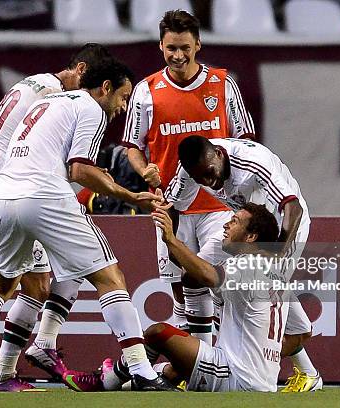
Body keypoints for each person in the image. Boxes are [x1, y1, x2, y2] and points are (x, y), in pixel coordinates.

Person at [0, 58, 178, 392]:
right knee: (109, 276)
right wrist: (131, 196)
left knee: (8, 284)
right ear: (105, 87)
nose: (122, 107)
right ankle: (142, 369)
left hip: (2, 197)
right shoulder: (91, 108)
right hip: (44, 195)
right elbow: (79, 171)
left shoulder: (48, 100)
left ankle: (1, 371)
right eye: (122, 97)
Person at [0, 44, 109, 392]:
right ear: (80, 70)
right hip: (17, 194)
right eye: (88, 84)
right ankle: (12, 367)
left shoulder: (31, 85)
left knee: (19, 283)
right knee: (39, 280)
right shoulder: (55, 97)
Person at [121, 9, 255, 344]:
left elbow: (246, 142)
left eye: (184, 47)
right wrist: (143, 169)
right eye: (171, 48)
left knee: (213, 282)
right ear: (161, 47)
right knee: (181, 291)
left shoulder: (222, 85)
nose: (178, 55)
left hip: (218, 207)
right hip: (171, 207)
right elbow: (132, 147)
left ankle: (212, 364)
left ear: (198, 44)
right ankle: (195, 366)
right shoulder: (145, 91)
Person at [64, 203, 289, 392]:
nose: (226, 224)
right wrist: (261, 358)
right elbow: (302, 333)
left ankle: (105, 382)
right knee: (173, 368)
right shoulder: (277, 276)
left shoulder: (245, 264)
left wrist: (171, 239)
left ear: (250, 237)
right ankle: (132, 379)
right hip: (263, 381)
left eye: (236, 221)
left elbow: (206, 275)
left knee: (158, 333)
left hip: (236, 377)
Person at [164, 136, 323, 392]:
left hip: (283, 228)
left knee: (262, 292)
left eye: (209, 173)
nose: (206, 182)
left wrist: (275, 253)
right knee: (193, 277)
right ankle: (196, 366)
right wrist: (171, 245)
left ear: (219, 154)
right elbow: (172, 206)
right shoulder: (191, 168)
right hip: (243, 225)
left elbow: (292, 206)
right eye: (199, 178)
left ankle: (308, 372)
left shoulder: (252, 162)